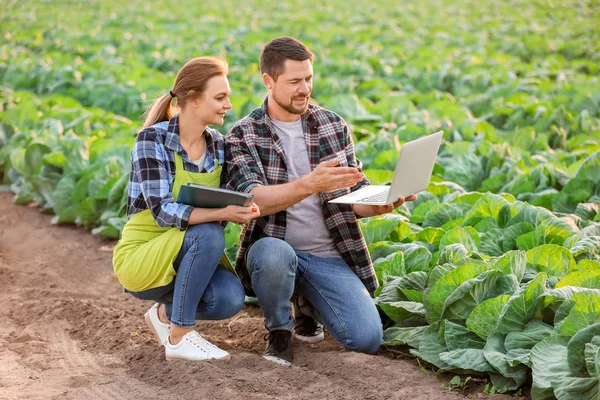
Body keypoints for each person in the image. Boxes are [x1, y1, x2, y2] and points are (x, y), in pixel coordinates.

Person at [225, 37, 417, 366]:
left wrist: (381, 202)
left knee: (366, 338)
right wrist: (310, 183)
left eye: (309, 78)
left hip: (328, 256)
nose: (305, 88)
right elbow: (252, 200)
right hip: (275, 250)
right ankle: (279, 329)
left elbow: (353, 197)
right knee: (273, 255)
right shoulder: (244, 134)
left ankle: (307, 304)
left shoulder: (333, 124)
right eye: (295, 81)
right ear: (268, 82)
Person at [113, 57, 260, 362]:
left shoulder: (219, 145)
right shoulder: (151, 140)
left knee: (229, 298)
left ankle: (164, 317)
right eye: (220, 97)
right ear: (193, 99)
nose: (228, 105)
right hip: (143, 253)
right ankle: (180, 336)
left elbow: (242, 188)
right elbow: (163, 212)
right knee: (207, 232)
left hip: (186, 252)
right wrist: (222, 214)